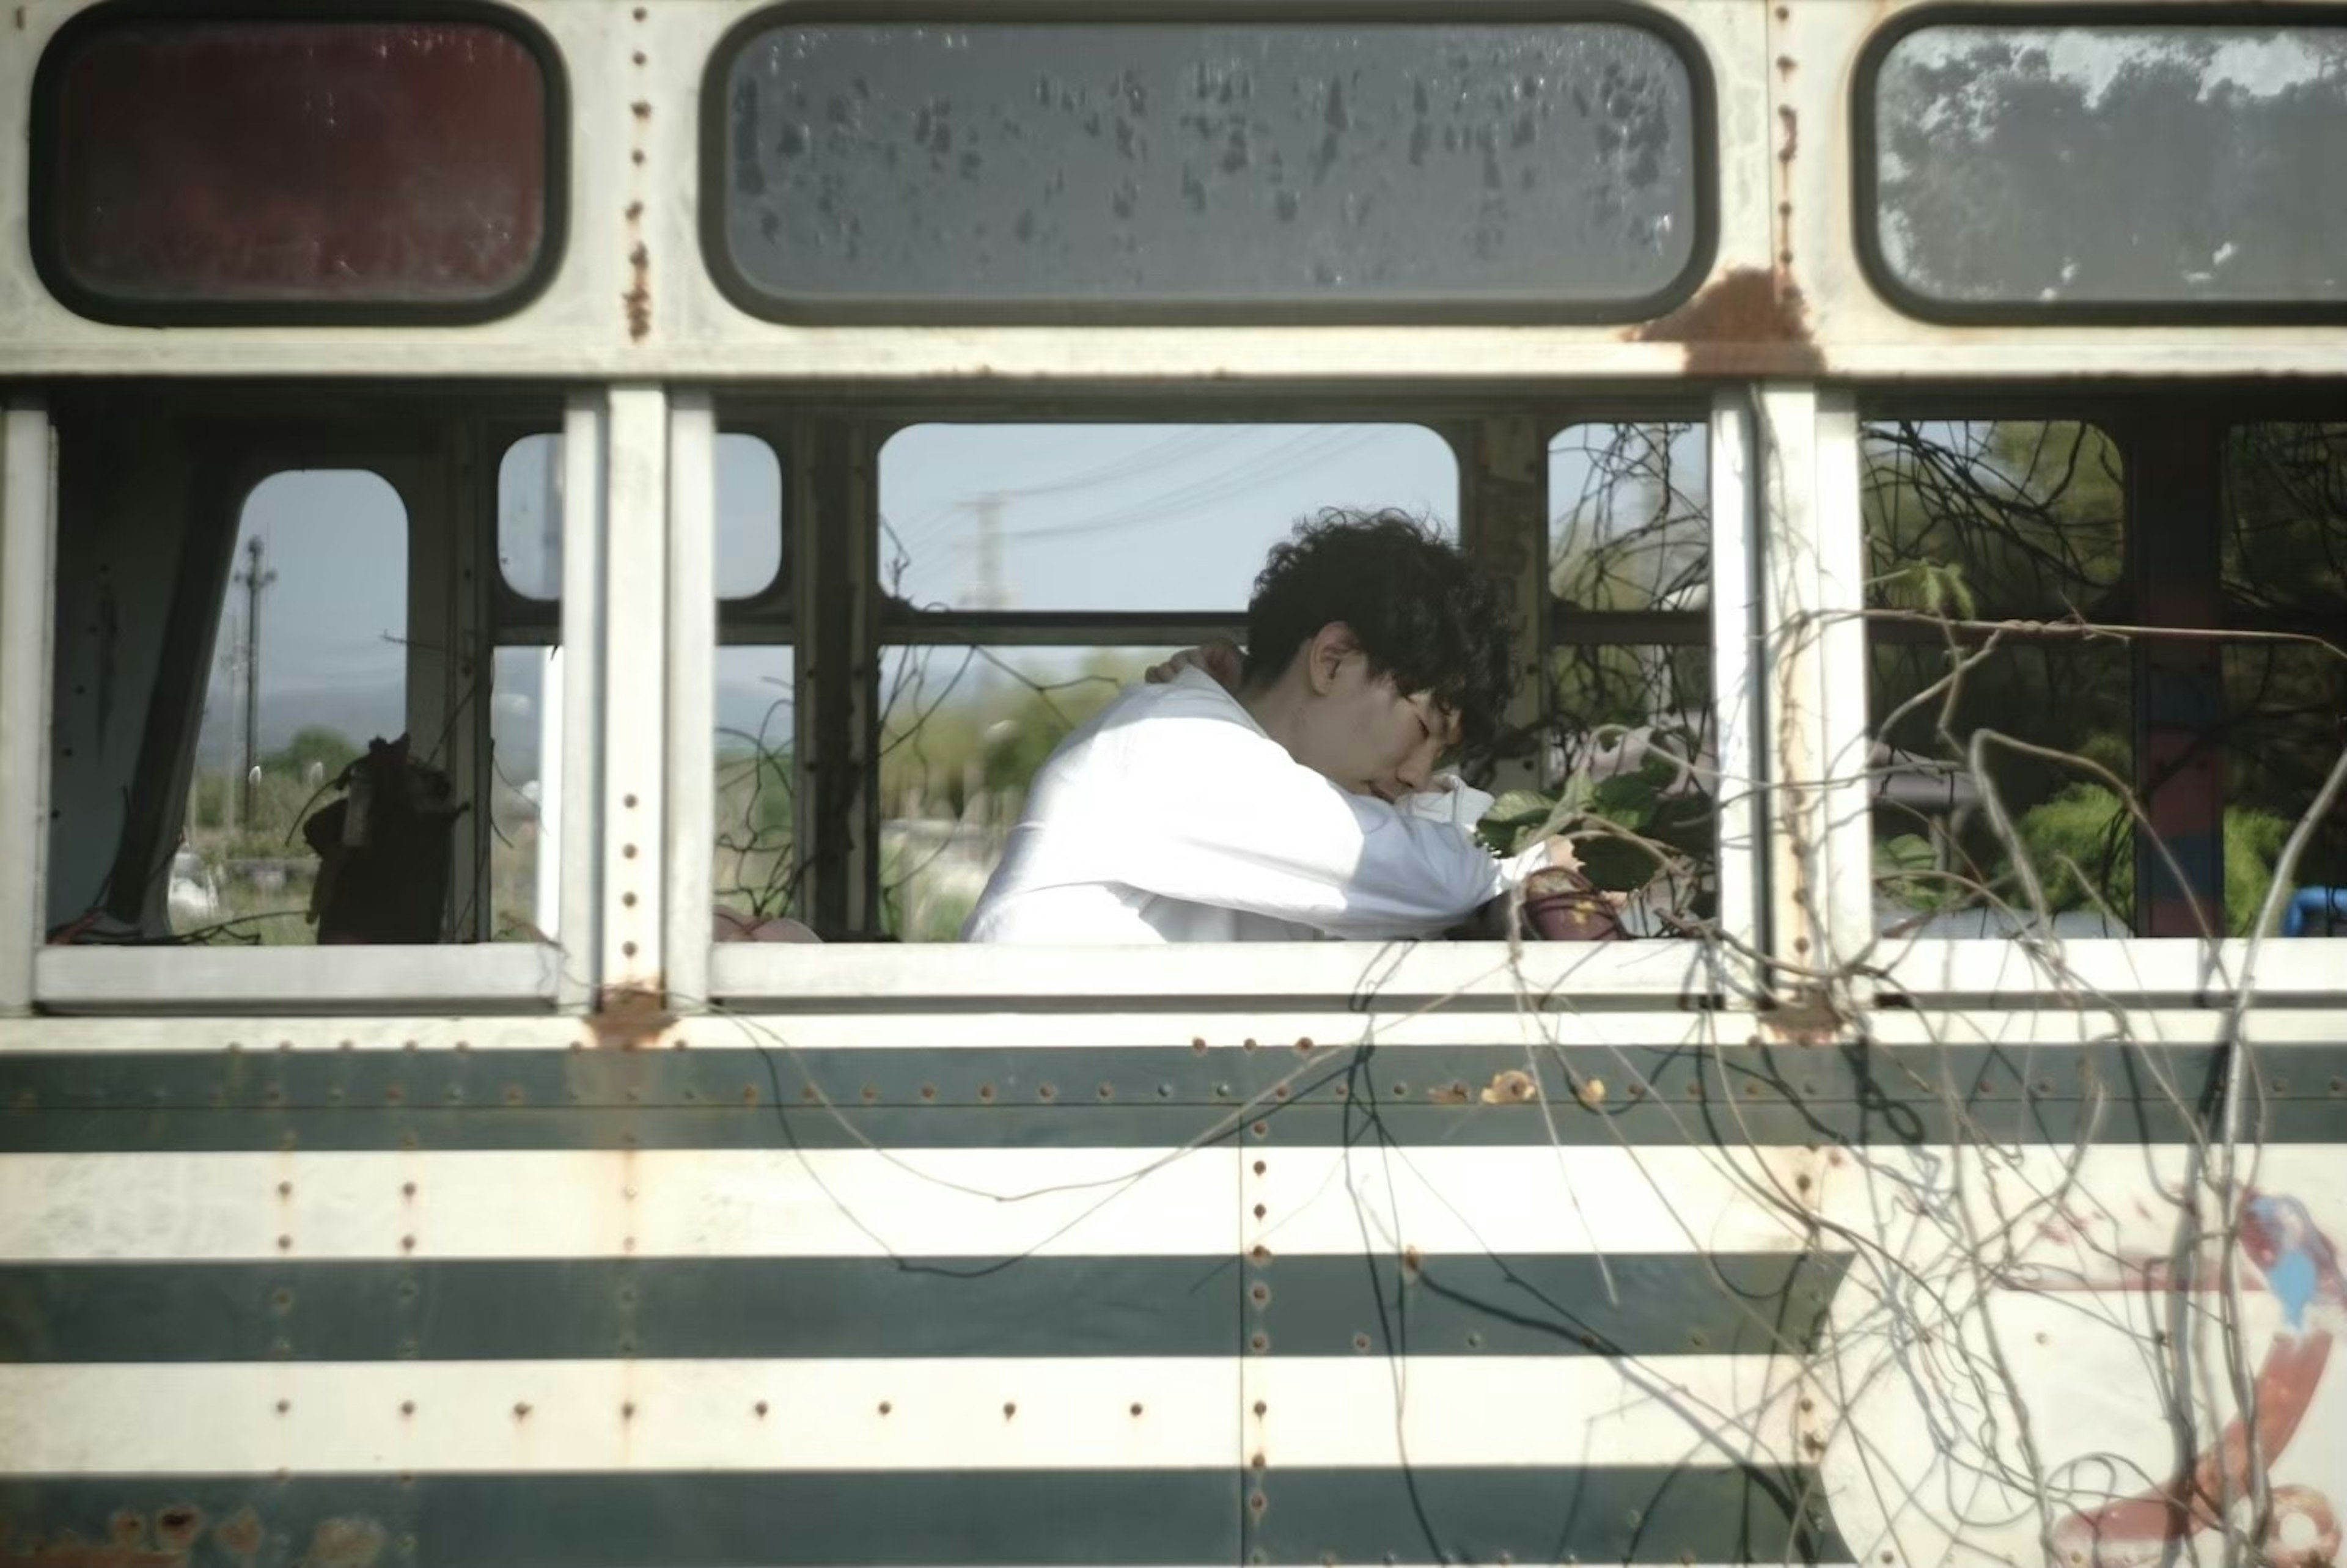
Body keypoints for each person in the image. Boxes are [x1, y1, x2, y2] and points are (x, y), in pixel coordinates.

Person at [962, 509, 1559, 942]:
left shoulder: (1259, 778)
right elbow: (1440, 875)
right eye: (1423, 729)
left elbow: (1431, 858)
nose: (1416, 774)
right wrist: (1552, 847)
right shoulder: (1173, 743)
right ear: (1333, 659)